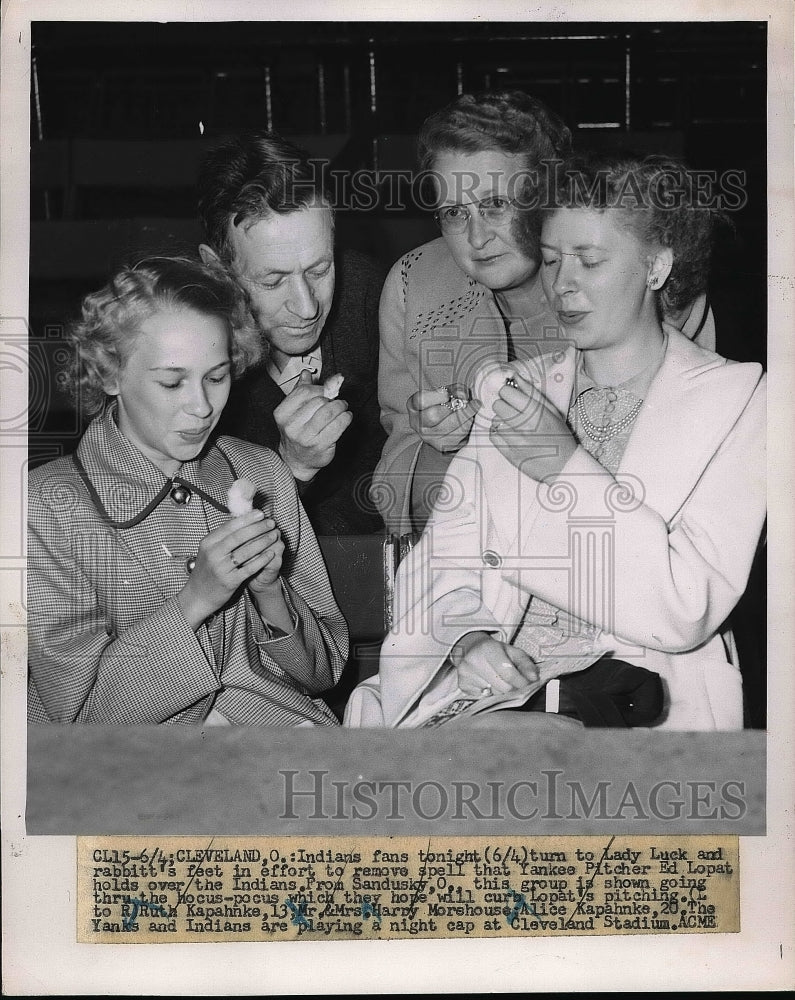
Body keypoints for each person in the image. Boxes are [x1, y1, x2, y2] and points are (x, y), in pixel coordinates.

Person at [346, 154, 765, 731]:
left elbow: (685, 606)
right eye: (550, 260)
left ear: (656, 267)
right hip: (492, 698)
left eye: (588, 261)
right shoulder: (519, 389)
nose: (562, 285)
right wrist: (467, 638)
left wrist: (565, 466)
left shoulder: (739, 399)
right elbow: (442, 558)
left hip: (638, 698)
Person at [371, 91, 717, 535]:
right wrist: (437, 445)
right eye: (455, 213)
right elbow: (395, 483)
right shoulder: (413, 285)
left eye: (496, 205)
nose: (477, 238)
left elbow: (692, 486)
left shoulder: (652, 286)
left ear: (549, 196)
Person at [28, 257, 348, 725]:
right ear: (110, 374)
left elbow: (324, 674)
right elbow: (81, 722)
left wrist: (270, 589)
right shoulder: (48, 506)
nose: (201, 407)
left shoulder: (263, 473)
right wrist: (196, 599)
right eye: (172, 382)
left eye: (216, 378)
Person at [197, 130, 386, 535]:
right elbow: (194, 539)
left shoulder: (373, 296)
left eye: (320, 270)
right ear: (216, 270)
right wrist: (292, 469)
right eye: (272, 281)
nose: (307, 307)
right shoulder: (188, 354)